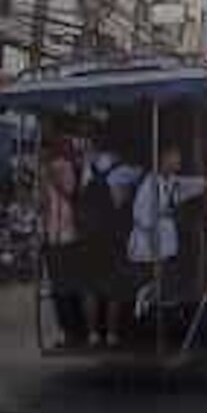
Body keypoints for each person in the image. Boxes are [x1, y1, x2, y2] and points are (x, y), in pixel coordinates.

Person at [126, 145, 207, 319]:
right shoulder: (149, 185)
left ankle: (157, 312)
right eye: (175, 157)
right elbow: (142, 218)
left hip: (165, 247)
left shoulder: (169, 181)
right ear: (164, 159)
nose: (179, 161)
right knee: (156, 286)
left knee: (165, 286)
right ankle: (146, 308)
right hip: (152, 249)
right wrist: (154, 248)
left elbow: (189, 185)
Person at [78, 134, 143, 348]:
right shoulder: (126, 170)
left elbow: (80, 195)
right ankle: (112, 334)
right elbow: (144, 178)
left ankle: (92, 334)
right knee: (114, 287)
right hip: (113, 236)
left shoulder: (89, 166)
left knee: (90, 287)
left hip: (88, 236)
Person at [40, 137, 83, 347]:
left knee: (66, 289)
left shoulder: (66, 168)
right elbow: (45, 205)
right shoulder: (50, 170)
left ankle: (73, 332)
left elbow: (71, 194)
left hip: (66, 236)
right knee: (59, 290)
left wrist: (54, 179)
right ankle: (68, 332)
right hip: (54, 236)